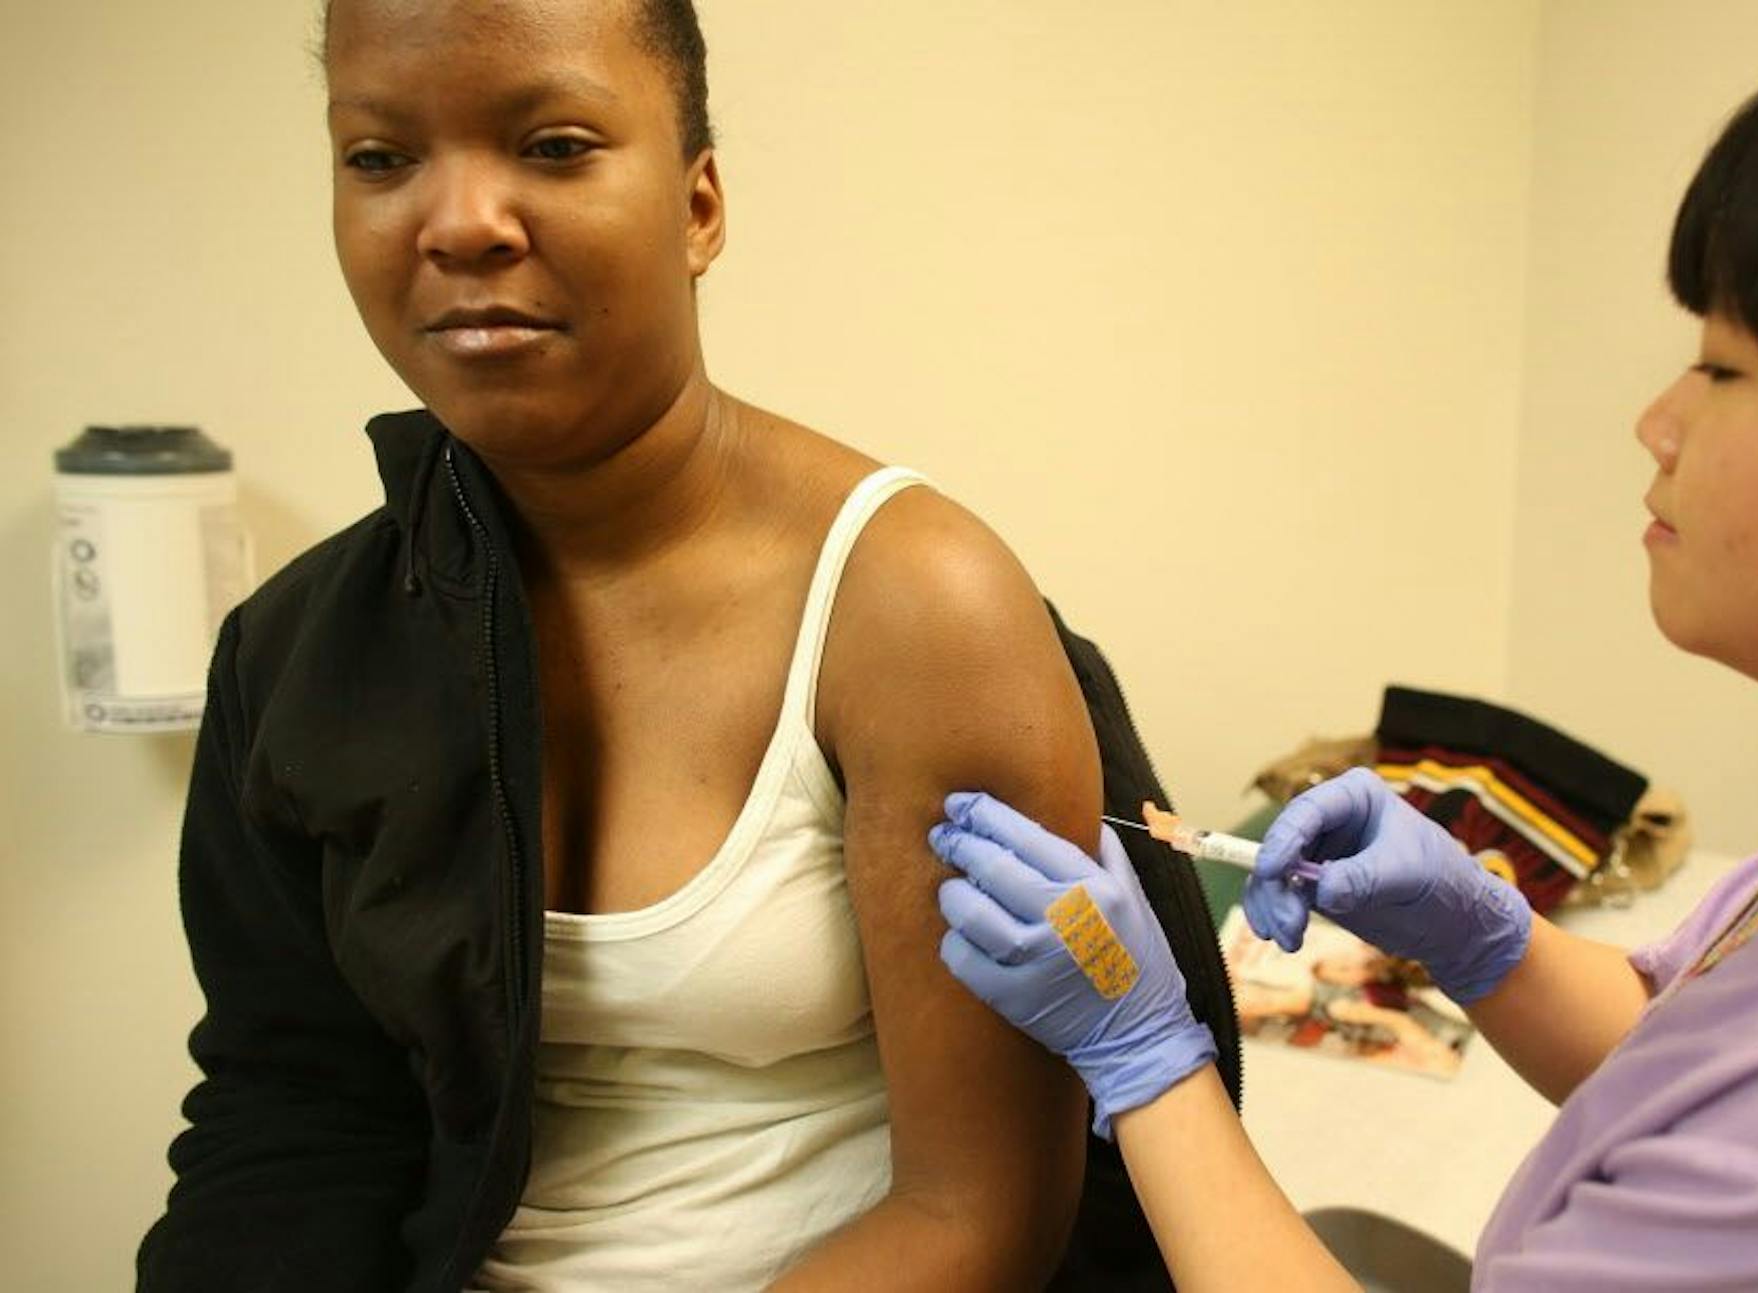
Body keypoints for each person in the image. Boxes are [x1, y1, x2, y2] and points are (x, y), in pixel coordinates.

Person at [928, 1, 1758, 1288]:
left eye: (1727, 370)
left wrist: (1147, 1062)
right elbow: (1697, 1067)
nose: (1655, 424)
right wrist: (1485, 936)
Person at [138, 1, 1105, 1289]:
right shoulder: (295, 655)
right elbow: (292, 1118)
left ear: (698, 208)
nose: (459, 222)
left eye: (552, 146)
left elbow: (980, 1218)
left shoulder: (912, 607)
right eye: (381, 156)